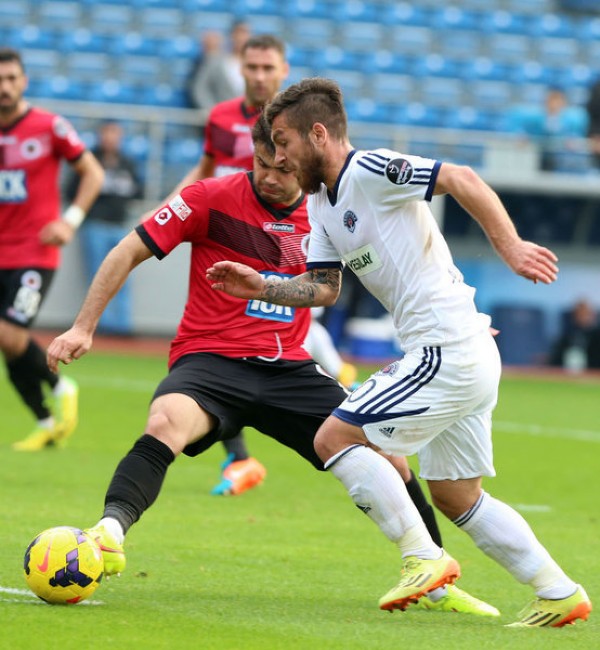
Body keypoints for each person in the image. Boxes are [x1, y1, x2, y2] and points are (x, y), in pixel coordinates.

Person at [47, 116, 499, 618]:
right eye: (262, 163)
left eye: (283, 168)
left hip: (290, 368)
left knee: (388, 457)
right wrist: (83, 327)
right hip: (212, 359)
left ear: (303, 162)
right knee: (165, 421)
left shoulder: (326, 214)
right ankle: (108, 533)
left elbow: (395, 268)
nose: (270, 175)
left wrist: (463, 323)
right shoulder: (208, 198)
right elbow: (128, 249)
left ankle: (435, 578)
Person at [206, 77, 592, 628]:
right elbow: (324, 289)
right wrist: (262, 285)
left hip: (446, 346)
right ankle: (558, 591)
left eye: (285, 141)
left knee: (333, 437)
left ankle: (421, 557)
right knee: (457, 497)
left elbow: (461, 177)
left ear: (319, 134)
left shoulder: (370, 170)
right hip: (459, 350)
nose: (280, 156)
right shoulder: (320, 204)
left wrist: (510, 247)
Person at [160, 33, 289, 496]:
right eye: (251, 67)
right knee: (214, 348)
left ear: (284, 71)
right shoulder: (220, 117)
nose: (259, 76)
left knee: (291, 346)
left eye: (268, 68)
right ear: (240, 69)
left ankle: (351, 410)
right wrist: (167, 207)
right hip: (223, 250)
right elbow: (205, 171)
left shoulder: (297, 125)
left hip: (280, 254)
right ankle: (241, 459)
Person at [0, 47, 104, 451]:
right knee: (9, 344)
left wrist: (69, 221)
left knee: (9, 335)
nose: (5, 87)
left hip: (34, 251)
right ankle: (44, 421)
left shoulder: (49, 126)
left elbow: (92, 172)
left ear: (24, 81)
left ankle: (61, 386)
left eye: (11, 78)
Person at [65, 120, 142, 335]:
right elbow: (71, 191)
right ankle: (100, 325)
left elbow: (139, 190)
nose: (111, 137)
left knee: (123, 275)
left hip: (120, 225)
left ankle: (123, 325)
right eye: (107, 132)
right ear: (100, 135)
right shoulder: (90, 160)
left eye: (115, 133)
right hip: (95, 225)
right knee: (98, 275)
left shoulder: (127, 163)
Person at [505, 87, 588, 171]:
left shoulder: (572, 121)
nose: (554, 104)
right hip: (538, 155)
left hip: (559, 158)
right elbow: (517, 127)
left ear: (564, 103)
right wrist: (521, 135)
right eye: (551, 100)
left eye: (558, 101)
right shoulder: (534, 119)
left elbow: (576, 136)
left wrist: (572, 142)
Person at [187, 21, 251, 111]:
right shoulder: (215, 60)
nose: (241, 38)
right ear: (231, 35)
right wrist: (213, 111)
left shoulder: (257, 64)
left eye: (245, 33)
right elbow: (200, 88)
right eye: (238, 33)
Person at [548, 299, 600, 371]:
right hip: (567, 371)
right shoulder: (568, 334)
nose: (583, 317)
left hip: (592, 371)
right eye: (580, 314)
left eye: (586, 314)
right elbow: (557, 356)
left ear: (593, 315)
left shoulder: (597, 336)